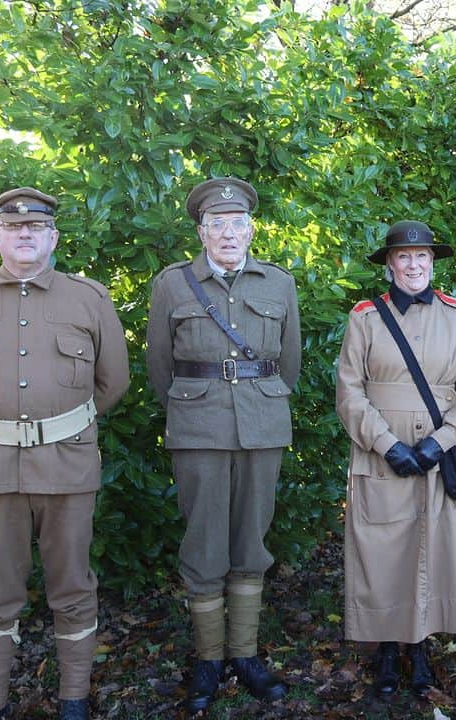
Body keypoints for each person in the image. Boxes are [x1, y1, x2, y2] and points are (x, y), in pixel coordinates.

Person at [0, 187, 131, 720]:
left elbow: (112, 381)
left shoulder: (87, 298)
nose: (25, 235)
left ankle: (73, 698)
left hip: (68, 465)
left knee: (72, 585)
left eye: (36, 228)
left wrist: (60, 424)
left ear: (54, 237)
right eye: (14, 228)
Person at [146, 177, 300, 712]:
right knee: (204, 539)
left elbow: (291, 360)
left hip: (262, 424)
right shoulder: (172, 285)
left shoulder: (278, 284)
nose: (229, 233)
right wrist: (191, 405)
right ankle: (210, 659)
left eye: (238, 224)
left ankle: (246, 653)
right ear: (202, 231)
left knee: (252, 539)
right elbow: (159, 365)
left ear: (251, 228)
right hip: (198, 428)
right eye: (218, 224)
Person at [335, 220, 456, 697]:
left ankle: (419, 650)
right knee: (381, 556)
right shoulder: (365, 318)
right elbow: (349, 392)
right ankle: (384, 653)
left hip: (435, 455)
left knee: (431, 551)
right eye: (405, 256)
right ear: (390, 264)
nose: (415, 264)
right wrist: (387, 444)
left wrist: (438, 443)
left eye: (423, 257)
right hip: (381, 458)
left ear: (432, 262)